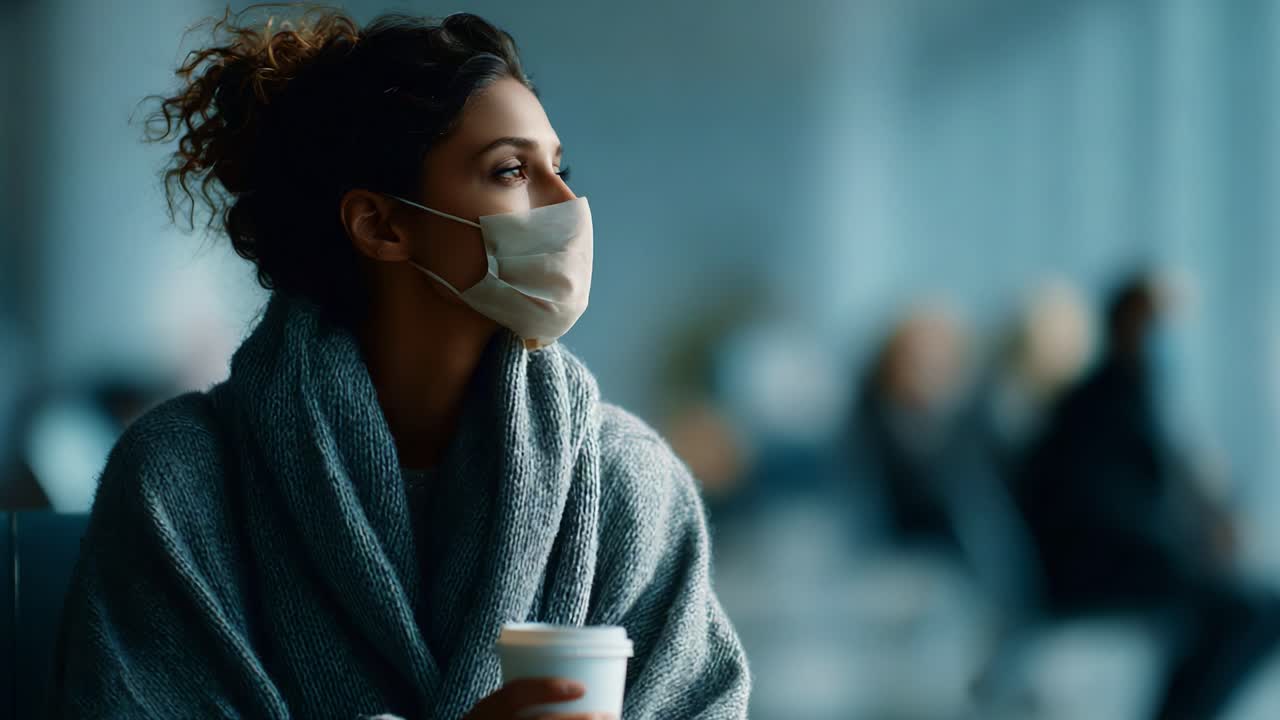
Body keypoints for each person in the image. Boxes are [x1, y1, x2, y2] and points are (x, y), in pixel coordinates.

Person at [51, 8, 750, 719]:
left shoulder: (632, 485)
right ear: (380, 224)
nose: (568, 205)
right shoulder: (180, 484)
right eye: (511, 170)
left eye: (559, 167)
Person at [1017, 274, 1280, 720]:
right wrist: (1190, 550)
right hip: (1090, 570)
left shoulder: (1134, 396)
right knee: (1248, 611)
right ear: (1130, 324)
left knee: (1249, 606)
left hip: (1130, 558)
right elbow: (1103, 509)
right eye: (1162, 323)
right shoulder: (1097, 404)